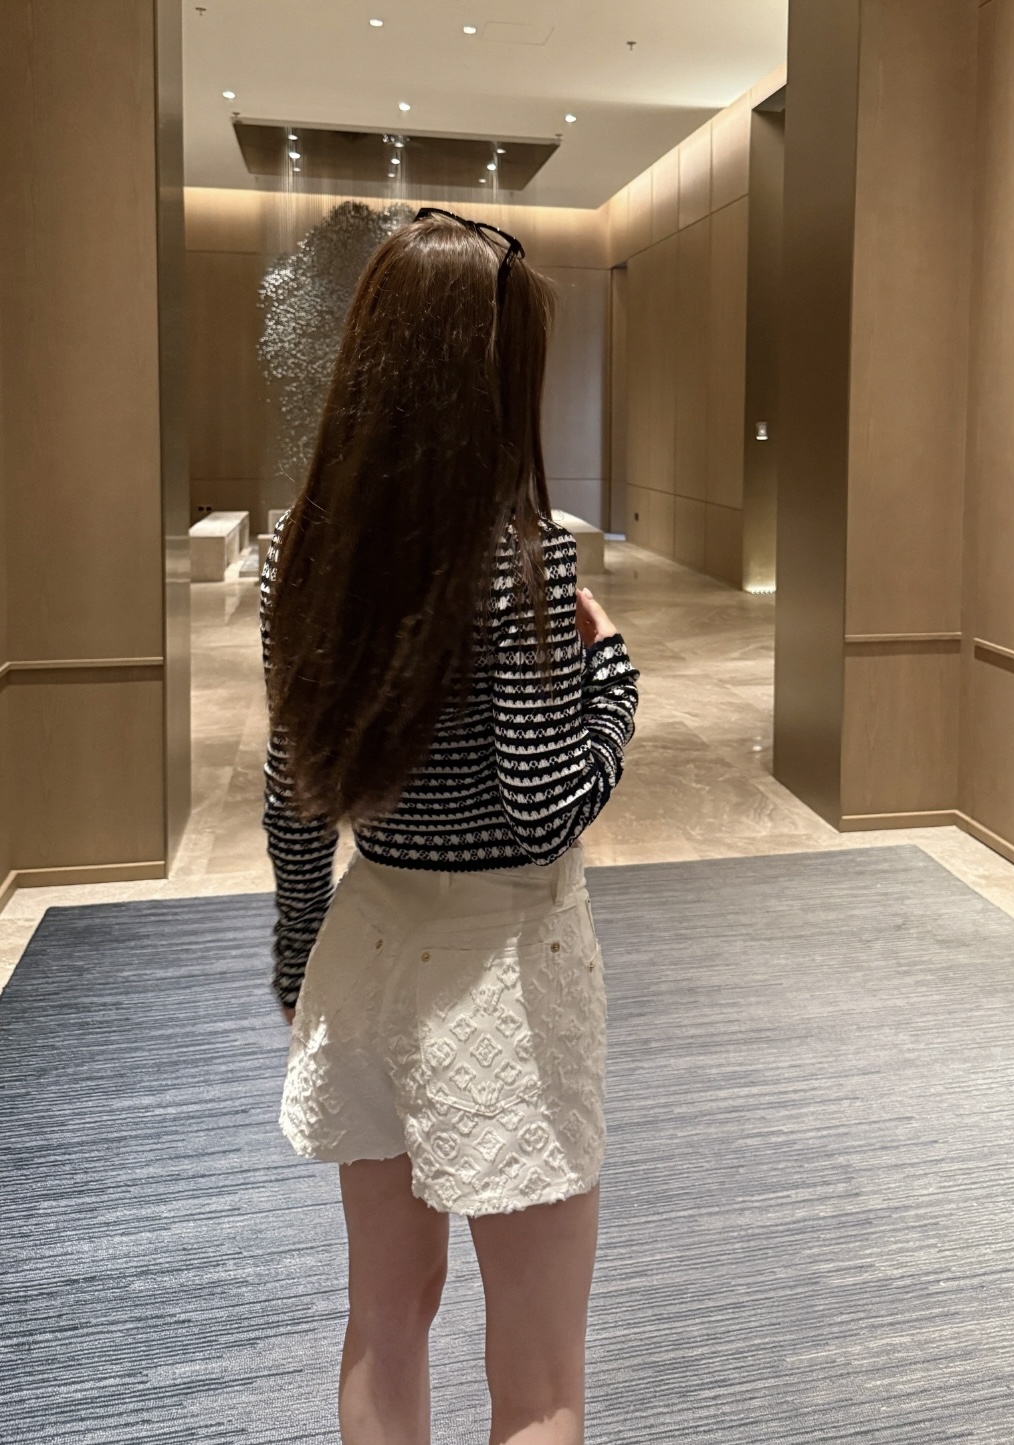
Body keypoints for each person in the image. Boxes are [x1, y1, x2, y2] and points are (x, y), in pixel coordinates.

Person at [260, 207, 639, 1445]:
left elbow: (294, 788)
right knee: (540, 1375)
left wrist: (298, 955)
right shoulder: (519, 559)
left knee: (383, 1319)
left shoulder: (301, 551)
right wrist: (614, 682)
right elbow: (542, 810)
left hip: (367, 954)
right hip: (505, 977)